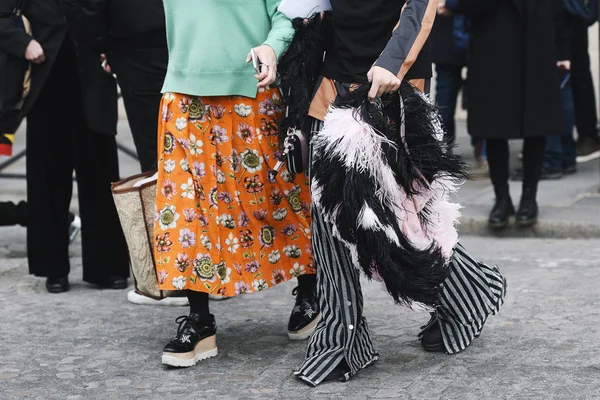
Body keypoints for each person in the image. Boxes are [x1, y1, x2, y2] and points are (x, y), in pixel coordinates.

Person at [280, 0, 506, 386]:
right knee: (327, 214)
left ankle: (471, 292)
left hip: (392, 85)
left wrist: (393, 60)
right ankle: (342, 338)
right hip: (332, 81)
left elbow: (422, 5)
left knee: (399, 219)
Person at [154, 0, 319, 367]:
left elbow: (287, 13)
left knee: (277, 202)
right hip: (182, 92)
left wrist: (272, 48)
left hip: (251, 92)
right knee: (186, 212)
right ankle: (200, 320)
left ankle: (311, 290)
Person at [0, 0, 130, 293]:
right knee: (48, 179)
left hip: (95, 82)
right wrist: (22, 42)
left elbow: (120, 13)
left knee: (101, 174)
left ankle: (108, 268)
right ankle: (53, 268)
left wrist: (117, 50)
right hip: (46, 84)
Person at [455, 0, 570, 229]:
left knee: (536, 126)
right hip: (493, 50)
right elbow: (467, 7)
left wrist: (563, 50)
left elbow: (558, 9)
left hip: (537, 51)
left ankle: (529, 198)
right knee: (494, 128)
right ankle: (501, 199)